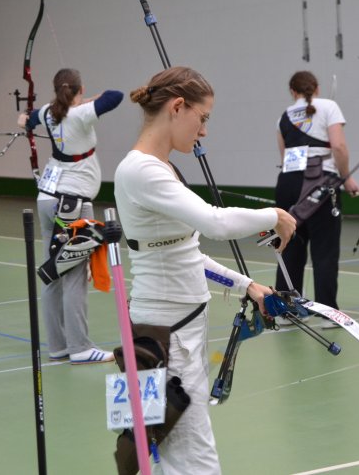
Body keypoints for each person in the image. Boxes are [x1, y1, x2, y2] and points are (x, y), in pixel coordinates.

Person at [114, 66, 296, 474]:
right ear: (178, 107)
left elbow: (186, 252)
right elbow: (214, 222)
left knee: (176, 454)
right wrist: (274, 215)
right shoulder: (142, 170)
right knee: (193, 459)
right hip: (167, 337)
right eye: (203, 118)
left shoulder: (160, 168)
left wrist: (246, 285)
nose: (204, 131)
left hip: (178, 330)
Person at [18, 68, 123, 364]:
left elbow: (26, 119)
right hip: (72, 203)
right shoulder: (80, 114)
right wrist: (89, 102)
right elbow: (116, 96)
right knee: (74, 275)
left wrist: (27, 118)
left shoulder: (49, 112)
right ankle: (80, 348)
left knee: (53, 272)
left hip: (47, 199)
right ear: (80, 89)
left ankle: (59, 346)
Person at [274, 71, 359, 329]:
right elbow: (339, 147)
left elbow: (284, 156)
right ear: (317, 88)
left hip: (288, 184)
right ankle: (328, 313)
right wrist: (346, 178)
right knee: (324, 250)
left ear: (293, 92)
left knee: (289, 245)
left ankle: (286, 311)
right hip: (320, 184)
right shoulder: (329, 107)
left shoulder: (283, 116)